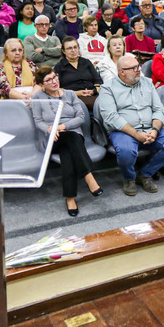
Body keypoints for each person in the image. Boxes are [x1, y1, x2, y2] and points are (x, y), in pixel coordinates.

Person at [97, 55, 164, 196]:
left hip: (150, 128)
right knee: (126, 151)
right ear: (122, 71)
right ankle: (129, 178)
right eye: (134, 68)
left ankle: (145, 174)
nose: (139, 70)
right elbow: (111, 117)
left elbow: (158, 109)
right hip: (123, 131)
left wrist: (155, 130)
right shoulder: (107, 88)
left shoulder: (147, 83)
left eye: (139, 66)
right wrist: (136, 134)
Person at [32, 66, 103, 216]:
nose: (54, 81)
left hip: (72, 133)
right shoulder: (38, 97)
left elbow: (81, 116)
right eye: (48, 80)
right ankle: (89, 176)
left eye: (54, 77)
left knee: (68, 152)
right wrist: (50, 129)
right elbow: (38, 121)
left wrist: (63, 126)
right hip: (53, 138)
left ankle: (70, 197)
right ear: (41, 84)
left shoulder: (70, 94)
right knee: (69, 139)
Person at [54, 36, 102, 107]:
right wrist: (77, 93)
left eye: (75, 47)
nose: (73, 50)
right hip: (71, 99)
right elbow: (57, 89)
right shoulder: (59, 67)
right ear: (63, 51)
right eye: (69, 48)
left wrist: (92, 91)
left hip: (92, 96)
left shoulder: (86, 62)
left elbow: (98, 82)